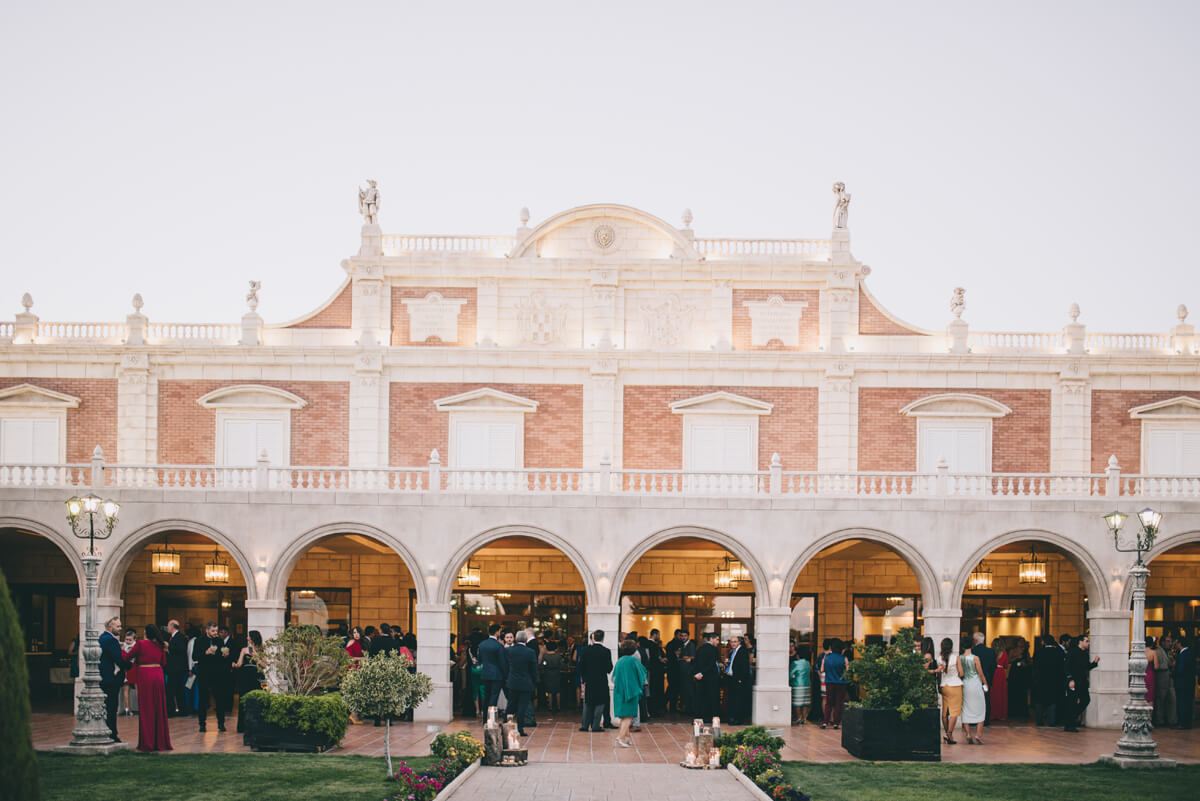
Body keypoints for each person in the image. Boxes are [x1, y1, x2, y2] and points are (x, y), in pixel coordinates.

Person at [125, 624, 172, 751]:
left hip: (146, 676)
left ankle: (148, 742)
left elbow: (128, 657)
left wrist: (120, 650)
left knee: (147, 709)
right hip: (158, 675)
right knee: (159, 708)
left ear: (146, 633)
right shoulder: (161, 646)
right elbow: (163, 662)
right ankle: (160, 741)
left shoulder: (141, 644)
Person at [194, 621, 233, 732]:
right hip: (204, 673)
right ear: (207, 630)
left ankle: (221, 723)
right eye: (213, 631)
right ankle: (202, 724)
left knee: (219, 699)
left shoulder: (219, 641)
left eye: (216, 631)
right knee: (203, 699)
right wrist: (205, 653)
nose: (215, 633)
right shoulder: (199, 641)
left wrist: (225, 655)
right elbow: (194, 657)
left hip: (217, 674)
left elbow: (223, 657)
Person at [98, 616, 132, 742]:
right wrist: (130, 664)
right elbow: (118, 659)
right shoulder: (110, 640)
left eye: (120, 625)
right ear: (109, 627)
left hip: (106, 677)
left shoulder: (103, 638)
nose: (120, 628)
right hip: (111, 678)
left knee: (109, 706)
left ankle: (109, 732)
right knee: (111, 707)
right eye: (117, 626)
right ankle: (112, 733)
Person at [612, 639, 647, 748]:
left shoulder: (620, 661)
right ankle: (620, 737)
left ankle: (627, 738)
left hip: (619, 692)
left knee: (624, 716)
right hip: (631, 691)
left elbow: (613, 678)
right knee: (629, 716)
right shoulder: (634, 661)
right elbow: (643, 674)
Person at [578, 629, 613, 732]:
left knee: (588, 703)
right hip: (601, 680)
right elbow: (609, 668)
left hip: (589, 680)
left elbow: (581, 666)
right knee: (600, 703)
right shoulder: (606, 651)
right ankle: (596, 725)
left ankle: (585, 725)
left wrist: (585, 678)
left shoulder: (585, 650)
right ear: (603, 638)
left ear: (593, 638)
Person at [504, 631, 537, 737]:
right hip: (526, 682)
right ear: (526, 640)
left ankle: (506, 726)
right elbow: (534, 669)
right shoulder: (530, 652)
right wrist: (534, 681)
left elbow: (505, 665)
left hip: (513, 681)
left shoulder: (509, 651)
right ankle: (520, 728)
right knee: (522, 706)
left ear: (516, 639)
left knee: (510, 705)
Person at [1063, 635, 1098, 732]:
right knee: (1072, 702)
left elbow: (1086, 667)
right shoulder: (1072, 652)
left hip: (1082, 682)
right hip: (1073, 681)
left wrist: (1094, 663)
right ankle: (1069, 724)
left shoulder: (1085, 654)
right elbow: (1067, 667)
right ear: (1080, 642)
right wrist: (1070, 679)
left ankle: (1070, 719)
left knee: (1085, 700)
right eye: (1087, 641)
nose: (1088, 643)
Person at [959, 634, 988, 744]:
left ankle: (968, 734)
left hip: (965, 684)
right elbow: (981, 674)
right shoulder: (975, 658)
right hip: (975, 684)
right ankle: (978, 735)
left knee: (965, 708)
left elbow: (961, 674)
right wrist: (985, 684)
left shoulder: (960, 658)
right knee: (981, 708)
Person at [233, 630, 264, 733]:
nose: (247, 638)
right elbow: (239, 663)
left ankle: (256, 724)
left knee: (256, 699)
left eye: (249, 636)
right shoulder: (244, 650)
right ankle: (242, 726)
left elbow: (264, 665)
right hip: (245, 676)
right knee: (243, 699)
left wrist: (256, 657)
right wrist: (234, 664)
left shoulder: (261, 650)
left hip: (256, 675)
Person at [1032, 633, 1065, 726]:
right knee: (1052, 701)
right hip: (1053, 681)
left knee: (1039, 701)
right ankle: (1051, 721)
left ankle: (1039, 721)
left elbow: (1035, 667)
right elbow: (1061, 667)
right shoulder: (1058, 652)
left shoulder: (1038, 652)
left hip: (1040, 680)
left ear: (1043, 642)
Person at [691, 631, 721, 722]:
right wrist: (702, 673)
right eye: (717, 639)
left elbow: (696, 662)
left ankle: (699, 717)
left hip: (701, 678)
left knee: (701, 697)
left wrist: (697, 673)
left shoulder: (700, 648)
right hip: (711, 678)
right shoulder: (713, 649)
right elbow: (711, 664)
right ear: (711, 639)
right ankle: (713, 718)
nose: (718, 642)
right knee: (713, 698)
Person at [478, 623, 507, 714]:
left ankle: (485, 719)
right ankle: (492, 718)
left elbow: (480, 659)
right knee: (494, 696)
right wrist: (505, 675)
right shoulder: (499, 646)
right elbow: (502, 662)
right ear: (497, 632)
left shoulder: (482, 644)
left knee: (486, 696)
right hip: (497, 674)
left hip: (485, 673)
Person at [821, 638, 848, 730]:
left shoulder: (827, 657)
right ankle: (836, 723)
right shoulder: (844, 658)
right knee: (838, 703)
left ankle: (825, 722)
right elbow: (848, 671)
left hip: (829, 682)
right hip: (841, 683)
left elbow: (822, 670)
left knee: (828, 703)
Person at [939, 637, 962, 744]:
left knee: (945, 712)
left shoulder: (940, 658)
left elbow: (939, 674)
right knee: (954, 712)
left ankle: (947, 734)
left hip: (944, 685)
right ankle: (949, 734)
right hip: (955, 685)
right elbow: (961, 673)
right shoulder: (956, 658)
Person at [970, 632, 996, 726]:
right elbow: (994, 667)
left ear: (975, 640)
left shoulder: (972, 651)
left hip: (974, 679)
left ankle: (974, 720)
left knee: (974, 700)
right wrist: (989, 678)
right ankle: (986, 720)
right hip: (987, 679)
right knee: (986, 699)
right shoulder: (990, 651)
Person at [726, 634, 752, 724]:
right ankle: (733, 717)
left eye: (735, 642)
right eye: (731, 642)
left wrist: (740, 679)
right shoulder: (732, 651)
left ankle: (738, 719)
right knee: (733, 699)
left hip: (738, 679)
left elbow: (745, 667)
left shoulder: (742, 651)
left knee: (738, 700)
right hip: (731, 678)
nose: (733, 643)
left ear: (739, 642)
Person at [165, 619, 188, 717]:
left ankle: (172, 711)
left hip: (177, 668)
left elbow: (181, 650)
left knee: (173, 690)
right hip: (173, 668)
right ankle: (178, 710)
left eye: (168, 626)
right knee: (177, 690)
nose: (167, 628)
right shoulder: (172, 637)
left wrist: (168, 647)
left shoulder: (180, 637)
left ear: (172, 626)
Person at [1175, 635, 1196, 729]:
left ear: (1179, 643)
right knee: (1188, 702)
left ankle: (1182, 723)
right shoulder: (1190, 653)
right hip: (1190, 682)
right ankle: (1187, 722)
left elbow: (1181, 669)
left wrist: (1174, 674)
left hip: (1182, 683)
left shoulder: (1183, 654)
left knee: (1182, 702)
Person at [789, 642, 812, 725]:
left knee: (797, 703)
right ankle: (804, 718)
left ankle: (798, 718)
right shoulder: (808, 663)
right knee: (805, 702)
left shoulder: (795, 663)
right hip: (807, 684)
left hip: (797, 685)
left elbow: (790, 674)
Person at [646, 628, 666, 716]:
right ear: (655, 635)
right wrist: (661, 660)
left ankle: (652, 709)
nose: (659, 637)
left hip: (652, 671)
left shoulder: (647, 644)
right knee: (655, 690)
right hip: (655, 672)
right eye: (658, 635)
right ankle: (654, 710)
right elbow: (654, 658)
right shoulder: (653, 645)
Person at [540, 640, 563, 713]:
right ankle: (558, 706)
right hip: (557, 674)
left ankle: (550, 706)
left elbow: (543, 664)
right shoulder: (558, 656)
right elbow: (562, 665)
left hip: (548, 674)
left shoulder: (545, 656)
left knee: (549, 691)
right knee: (558, 691)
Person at [1153, 635, 1171, 726]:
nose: (1169, 643)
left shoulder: (1168, 652)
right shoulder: (1158, 651)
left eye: (1170, 641)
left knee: (1165, 700)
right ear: (1163, 642)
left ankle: (1164, 718)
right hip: (1161, 678)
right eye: (1168, 641)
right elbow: (1157, 665)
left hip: (1167, 679)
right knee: (1160, 699)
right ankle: (1159, 720)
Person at [989, 638, 1009, 722]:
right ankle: (1001, 715)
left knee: (993, 694)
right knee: (1001, 694)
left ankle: (992, 714)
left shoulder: (991, 653)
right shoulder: (1004, 654)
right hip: (1001, 673)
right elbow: (1006, 666)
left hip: (993, 673)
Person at [121, 627, 138, 715]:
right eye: (126, 639)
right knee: (126, 689)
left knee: (137, 688)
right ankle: (127, 708)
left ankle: (140, 708)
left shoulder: (136, 646)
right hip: (126, 670)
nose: (127, 641)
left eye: (130, 640)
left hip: (134, 669)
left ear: (134, 639)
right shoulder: (123, 646)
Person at [1145, 636, 1158, 709]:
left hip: (1142, 675)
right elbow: (1156, 666)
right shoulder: (1153, 652)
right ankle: (1149, 718)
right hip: (1150, 675)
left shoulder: (1140, 652)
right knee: (1150, 697)